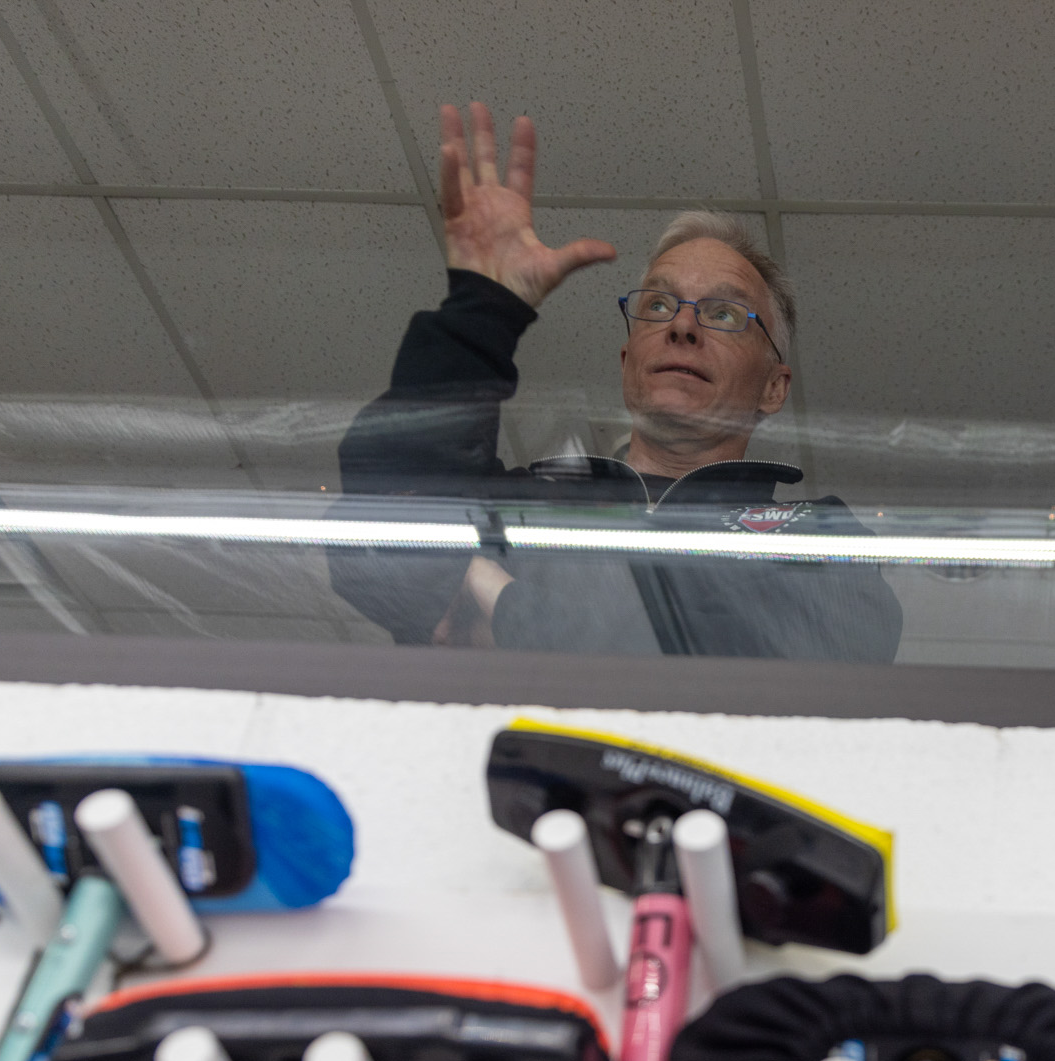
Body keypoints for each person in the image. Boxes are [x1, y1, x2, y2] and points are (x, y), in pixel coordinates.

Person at [334, 104, 902, 661]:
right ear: (628, 359)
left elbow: (762, 664)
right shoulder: (533, 503)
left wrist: (493, 589)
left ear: (774, 387)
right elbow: (372, 538)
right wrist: (480, 313)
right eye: (658, 305)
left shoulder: (813, 531)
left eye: (724, 314)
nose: (682, 326)